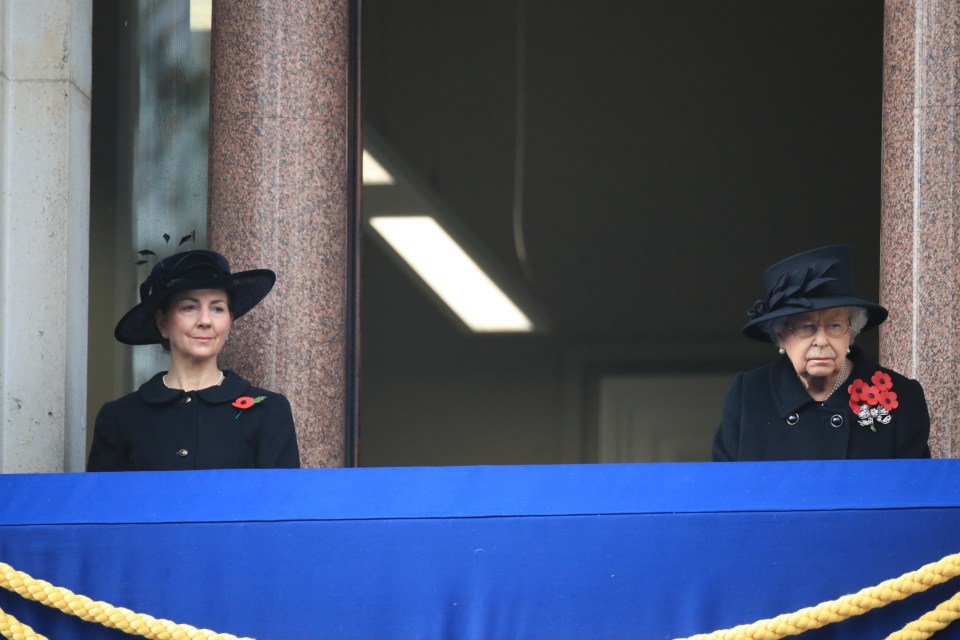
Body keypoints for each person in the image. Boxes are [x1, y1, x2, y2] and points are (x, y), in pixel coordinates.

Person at [712, 245, 930, 461]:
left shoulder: (901, 395)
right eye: (806, 327)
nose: (822, 341)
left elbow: (917, 490)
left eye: (834, 325)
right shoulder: (749, 395)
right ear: (780, 336)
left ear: (851, 330)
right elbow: (725, 489)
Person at [87, 249, 300, 471]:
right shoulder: (119, 417)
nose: (205, 321)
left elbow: (282, 503)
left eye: (217, 308)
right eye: (189, 307)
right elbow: (104, 503)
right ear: (162, 323)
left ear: (229, 322)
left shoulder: (268, 411)